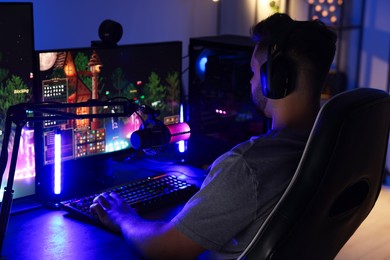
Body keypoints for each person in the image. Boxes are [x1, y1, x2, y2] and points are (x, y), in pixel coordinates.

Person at [90, 13, 337, 259]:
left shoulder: (246, 165)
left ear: (275, 79)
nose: (250, 81)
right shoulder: (332, 143)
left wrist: (122, 216)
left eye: (253, 72)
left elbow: (163, 247)